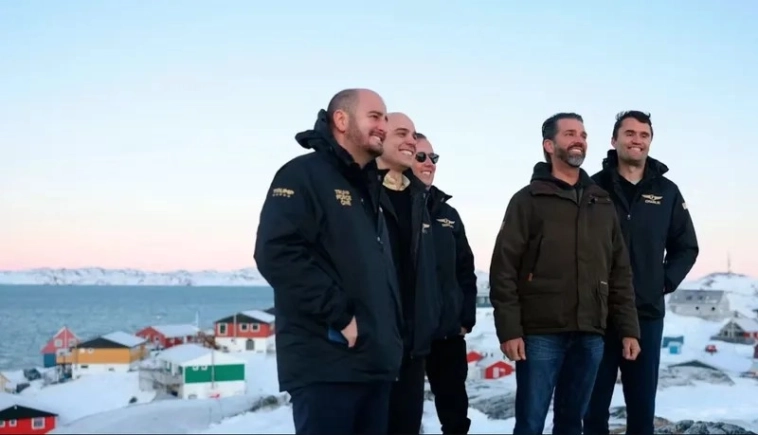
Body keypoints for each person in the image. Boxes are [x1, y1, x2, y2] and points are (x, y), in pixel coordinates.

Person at [253, 88, 404, 435]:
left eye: (385, 117)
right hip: (327, 363)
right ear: (341, 120)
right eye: (374, 116)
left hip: (372, 363)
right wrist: (340, 316)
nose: (383, 126)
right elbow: (276, 252)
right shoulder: (303, 175)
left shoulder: (368, 187)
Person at [489, 112, 642, 435]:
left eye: (583, 135)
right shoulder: (527, 200)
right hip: (540, 333)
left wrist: (629, 329)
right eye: (570, 134)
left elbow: (620, 272)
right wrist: (509, 330)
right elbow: (504, 268)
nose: (579, 140)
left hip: (590, 332)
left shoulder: (601, 202)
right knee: (530, 424)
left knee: (572, 423)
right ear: (549, 145)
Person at [584, 111, 699, 435]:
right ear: (614, 140)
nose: (637, 140)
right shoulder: (592, 187)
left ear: (650, 141)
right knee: (592, 409)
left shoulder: (667, 191)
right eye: (630, 133)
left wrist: (662, 281)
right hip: (596, 314)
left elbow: (686, 247)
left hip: (645, 313)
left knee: (641, 409)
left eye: (644, 135)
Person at [377, 113, 442, 435]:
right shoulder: (361, 192)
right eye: (402, 133)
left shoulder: (419, 200)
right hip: (371, 342)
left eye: (413, 136)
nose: (411, 142)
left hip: (414, 343)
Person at [412, 133, 478, 434]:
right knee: (403, 414)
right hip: (408, 334)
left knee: (455, 416)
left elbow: (465, 270)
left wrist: (465, 319)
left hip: (448, 333)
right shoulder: (389, 205)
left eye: (433, 157)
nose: (429, 163)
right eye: (421, 157)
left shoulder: (448, 214)